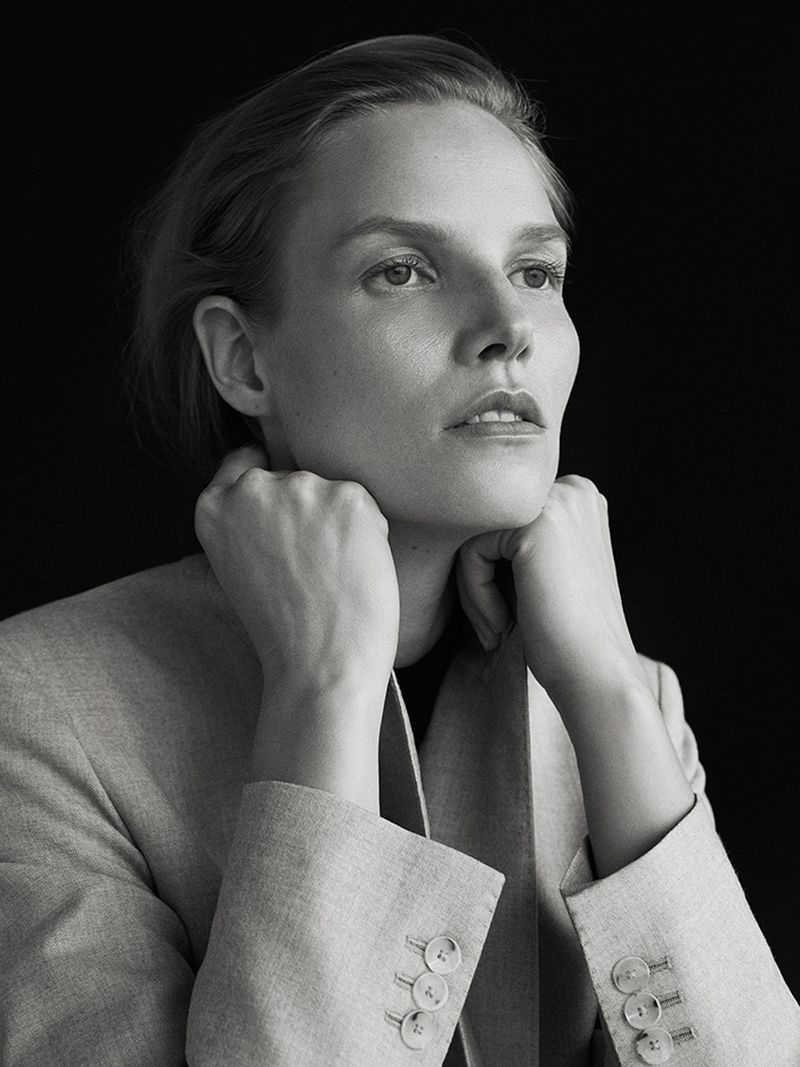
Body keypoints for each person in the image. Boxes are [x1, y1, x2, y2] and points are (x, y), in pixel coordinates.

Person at [0, 32, 797, 1067]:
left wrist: (606, 686)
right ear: (243, 359)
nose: (506, 325)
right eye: (403, 270)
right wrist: (323, 686)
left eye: (534, 270)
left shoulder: (628, 700)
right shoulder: (35, 710)